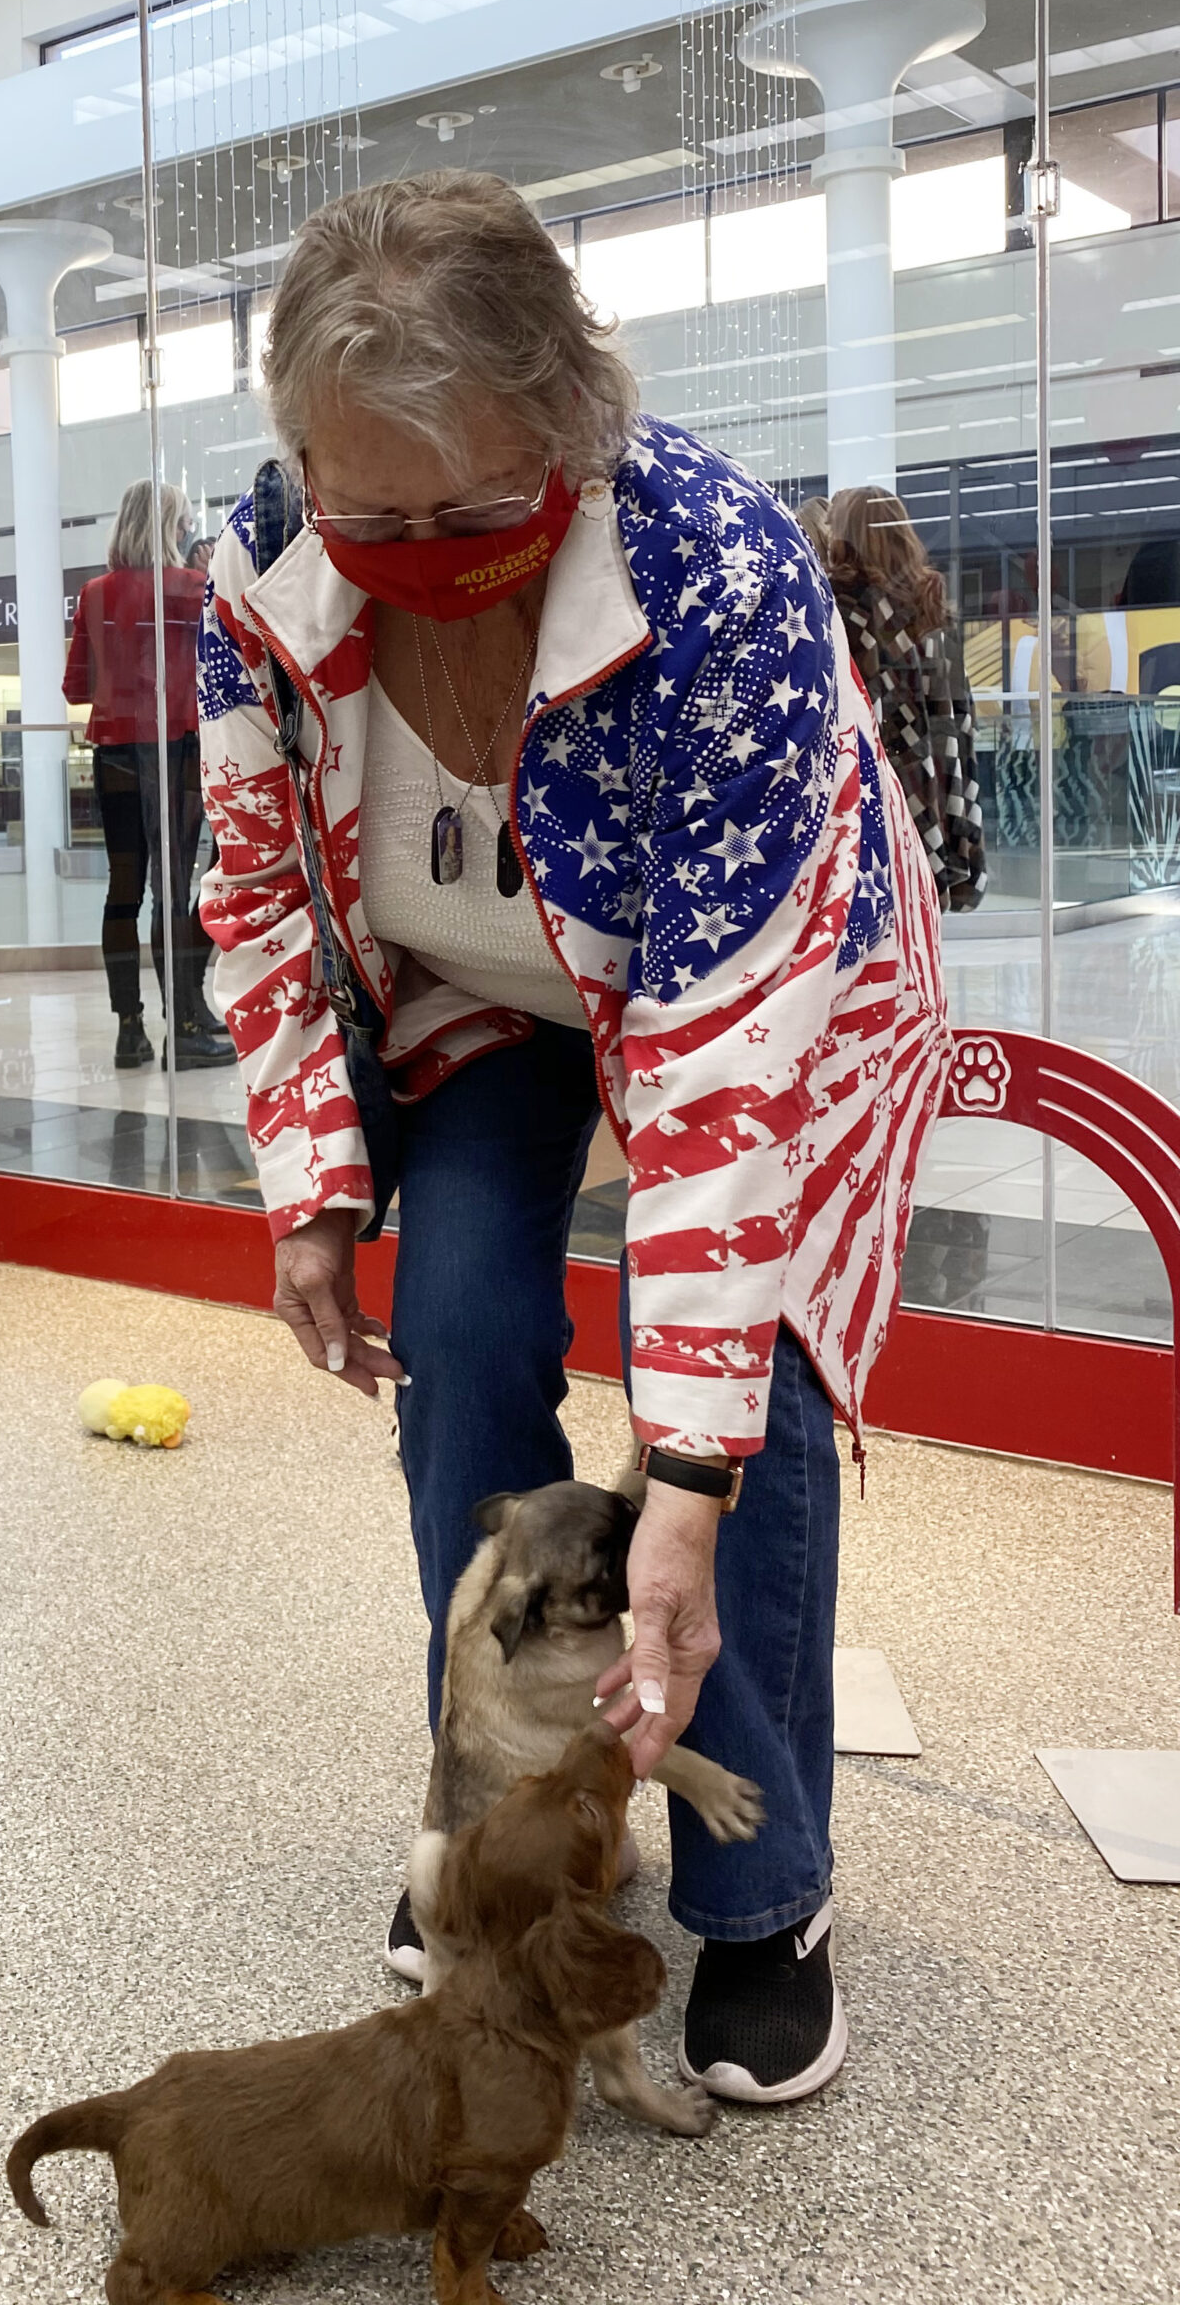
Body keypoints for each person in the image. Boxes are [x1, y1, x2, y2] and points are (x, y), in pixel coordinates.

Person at [197, 171, 949, 2106]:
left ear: (570, 422)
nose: (419, 558)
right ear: (301, 456)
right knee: (459, 1331)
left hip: (759, 999)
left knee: (742, 1400)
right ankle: (509, 1822)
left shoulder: (719, 579)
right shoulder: (267, 562)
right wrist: (310, 1188)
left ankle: (764, 1884)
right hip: (473, 996)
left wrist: (682, 1472)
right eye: (373, 516)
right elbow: (261, 891)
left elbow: (720, 1076)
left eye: (470, 514)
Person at [66, 481, 232, 1069]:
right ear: (172, 527)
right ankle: (183, 1024)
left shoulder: (92, 594)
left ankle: (129, 1029)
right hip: (176, 754)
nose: (190, 531)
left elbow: (76, 688)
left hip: (112, 755)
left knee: (124, 890)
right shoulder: (192, 589)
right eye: (186, 522)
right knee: (175, 889)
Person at [823, 485, 986, 913]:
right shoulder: (930, 603)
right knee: (921, 909)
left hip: (878, 768)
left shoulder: (842, 606)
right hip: (931, 764)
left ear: (846, 533)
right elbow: (956, 710)